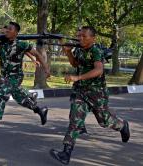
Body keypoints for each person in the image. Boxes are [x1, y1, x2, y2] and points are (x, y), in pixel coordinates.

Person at [50, 26, 130, 165]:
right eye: (79, 35)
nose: (80, 38)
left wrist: (78, 77)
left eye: (84, 36)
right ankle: (66, 153)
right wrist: (69, 53)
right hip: (81, 92)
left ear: (93, 38)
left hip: (96, 93)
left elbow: (98, 70)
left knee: (104, 121)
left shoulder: (96, 50)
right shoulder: (80, 49)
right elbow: (75, 63)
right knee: (75, 121)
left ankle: (122, 126)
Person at [0, 21, 50, 136]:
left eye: (10, 29)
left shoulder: (21, 44)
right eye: (6, 29)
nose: (7, 30)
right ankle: (40, 110)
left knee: (1, 93)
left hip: (15, 77)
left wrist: (46, 68)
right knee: (20, 98)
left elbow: (37, 54)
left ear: (16, 32)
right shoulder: (1, 43)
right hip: (5, 76)